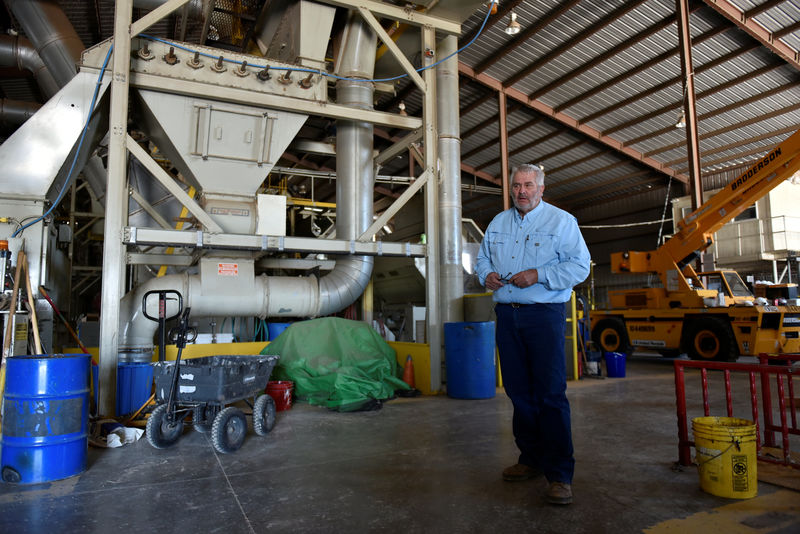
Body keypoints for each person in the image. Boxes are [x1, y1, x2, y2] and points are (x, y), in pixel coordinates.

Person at [475, 163, 591, 505]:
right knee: (519, 392)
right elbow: (482, 259)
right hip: (507, 316)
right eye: (516, 186)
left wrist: (538, 274)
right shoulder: (498, 223)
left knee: (550, 394)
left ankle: (559, 474)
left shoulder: (561, 222)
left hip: (543, 316)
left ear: (541, 188)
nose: (521, 191)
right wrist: (488, 275)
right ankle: (531, 459)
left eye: (528, 185)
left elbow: (579, 266)